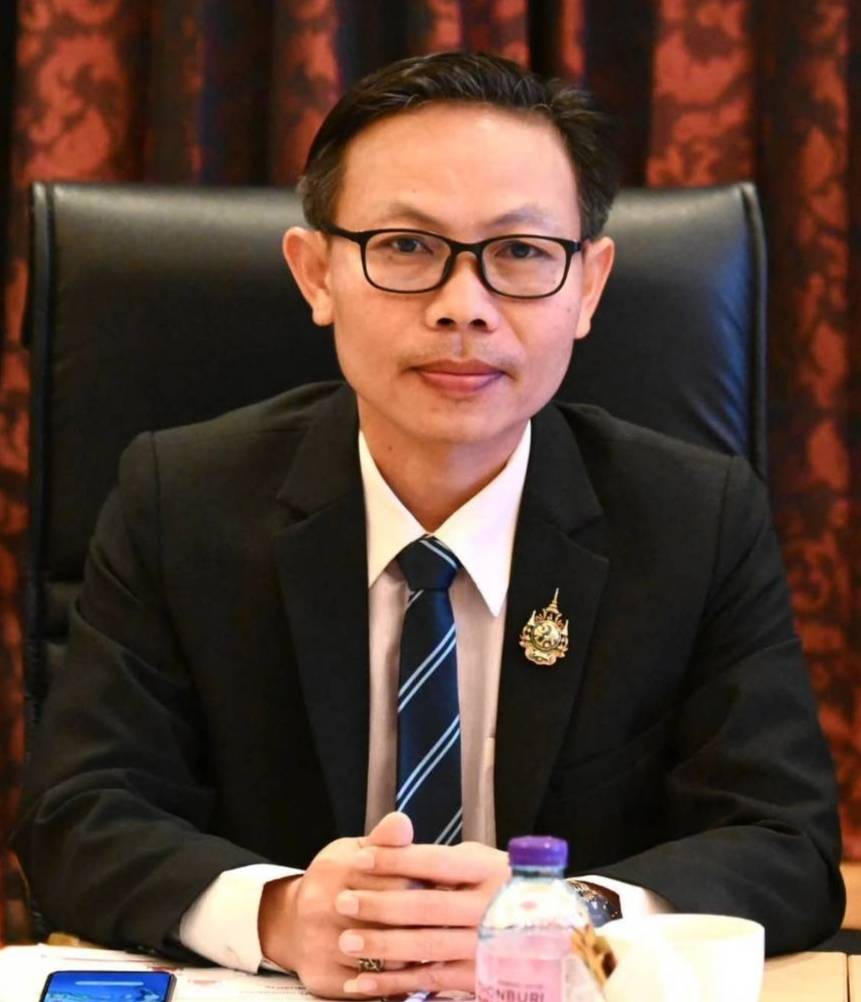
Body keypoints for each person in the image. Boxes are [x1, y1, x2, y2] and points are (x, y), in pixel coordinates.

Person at [13, 52, 843, 999]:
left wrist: (565, 916)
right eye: (406, 246)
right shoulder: (182, 500)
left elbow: (785, 842)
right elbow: (76, 817)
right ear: (316, 274)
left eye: (520, 252)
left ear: (588, 287)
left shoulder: (694, 518)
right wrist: (283, 915)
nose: (463, 307)